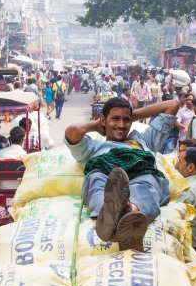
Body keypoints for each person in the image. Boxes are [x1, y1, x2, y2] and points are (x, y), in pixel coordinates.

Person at [64, 98, 179, 251]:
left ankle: (128, 212)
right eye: (115, 119)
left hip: (140, 172)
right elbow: (72, 131)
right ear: (104, 119)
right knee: (95, 179)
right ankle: (109, 216)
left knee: (146, 183)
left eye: (126, 120)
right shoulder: (93, 148)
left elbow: (173, 105)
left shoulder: (145, 141)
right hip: (108, 175)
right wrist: (98, 124)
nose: (121, 125)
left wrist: (131, 114)